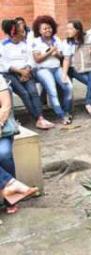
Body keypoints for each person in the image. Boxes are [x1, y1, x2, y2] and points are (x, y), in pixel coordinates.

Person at [0, 19, 53, 129]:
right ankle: (38, 118)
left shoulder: (25, 44)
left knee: (33, 92)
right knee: (24, 93)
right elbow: (4, 64)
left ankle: (40, 118)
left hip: (26, 71)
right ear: (13, 34)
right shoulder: (3, 45)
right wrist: (20, 72)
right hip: (11, 74)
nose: (24, 33)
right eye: (21, 32)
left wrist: (27, 70)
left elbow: (30, 59)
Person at [0, 73, 39, 214]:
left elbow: (6, 106)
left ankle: (10, 194)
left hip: (1, 128)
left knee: (3, 154)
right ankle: (10, 186)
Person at [31, 15, 73, 125]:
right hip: (43, 70)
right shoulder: (36, 42)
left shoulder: (56, 39)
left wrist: (57, 54)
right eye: (44, 28)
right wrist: (50, 52)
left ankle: (67, 111)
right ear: (39, 30)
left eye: (49, 27)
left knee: (68, 87)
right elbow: (37, 59)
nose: (48, 30)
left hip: (56, 68)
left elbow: (62, 57)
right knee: (52, 91)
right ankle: (61, 115)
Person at [61, 20, 91, 118]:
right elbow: (66, 60)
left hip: (89, 66)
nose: (68, 31)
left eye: (71, 28)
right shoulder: (67, 43)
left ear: (78, 30)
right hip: (75, 68)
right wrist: (64, 74)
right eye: (67, 28)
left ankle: (88, 103)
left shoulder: (88, 37)